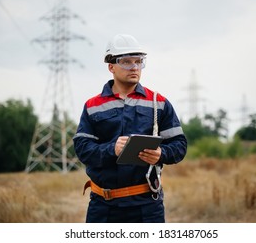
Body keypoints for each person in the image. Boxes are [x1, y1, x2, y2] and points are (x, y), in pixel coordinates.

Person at [73, 33, 187, 223]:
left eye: (139, 61)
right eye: (126, 62)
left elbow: (180, 145)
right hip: (103, 207)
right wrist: (112, 149)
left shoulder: (158, 102)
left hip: (147, 206)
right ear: (111, 66)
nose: (134, 67)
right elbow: (82, 149)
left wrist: (162, 153)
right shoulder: (92, 106)